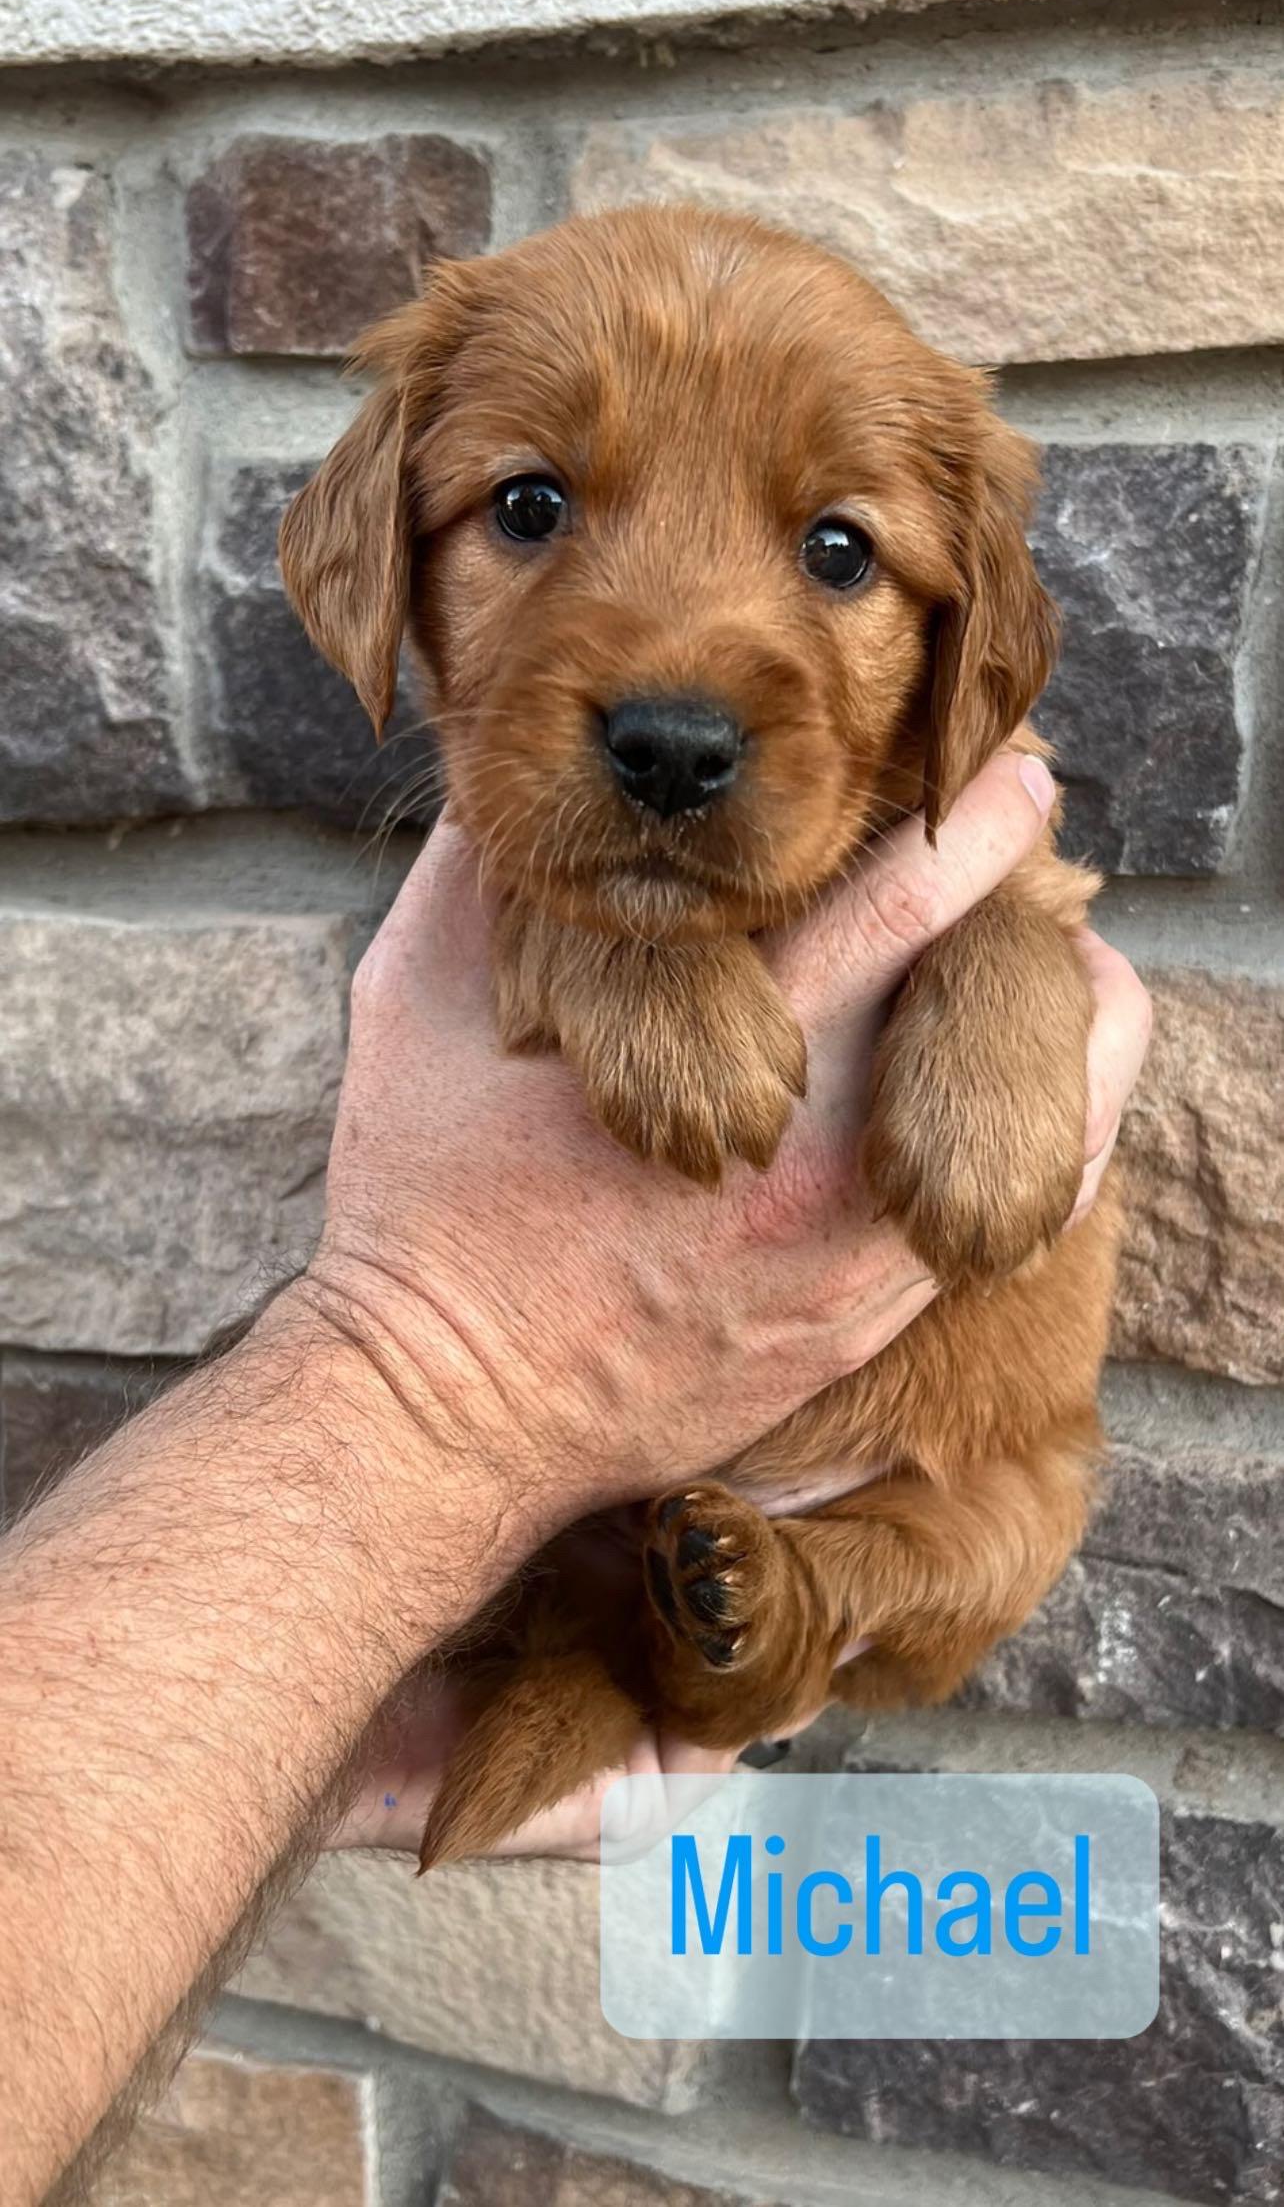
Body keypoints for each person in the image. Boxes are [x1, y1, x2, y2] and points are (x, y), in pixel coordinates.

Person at [0, 753, 1150, 2201]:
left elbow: (1031, 912)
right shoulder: (561, 812)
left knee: (1006, 1520)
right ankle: (689, 1633)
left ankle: (767, 1622)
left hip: (911, 1479)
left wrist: (1001, 980)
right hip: (569, 1532)